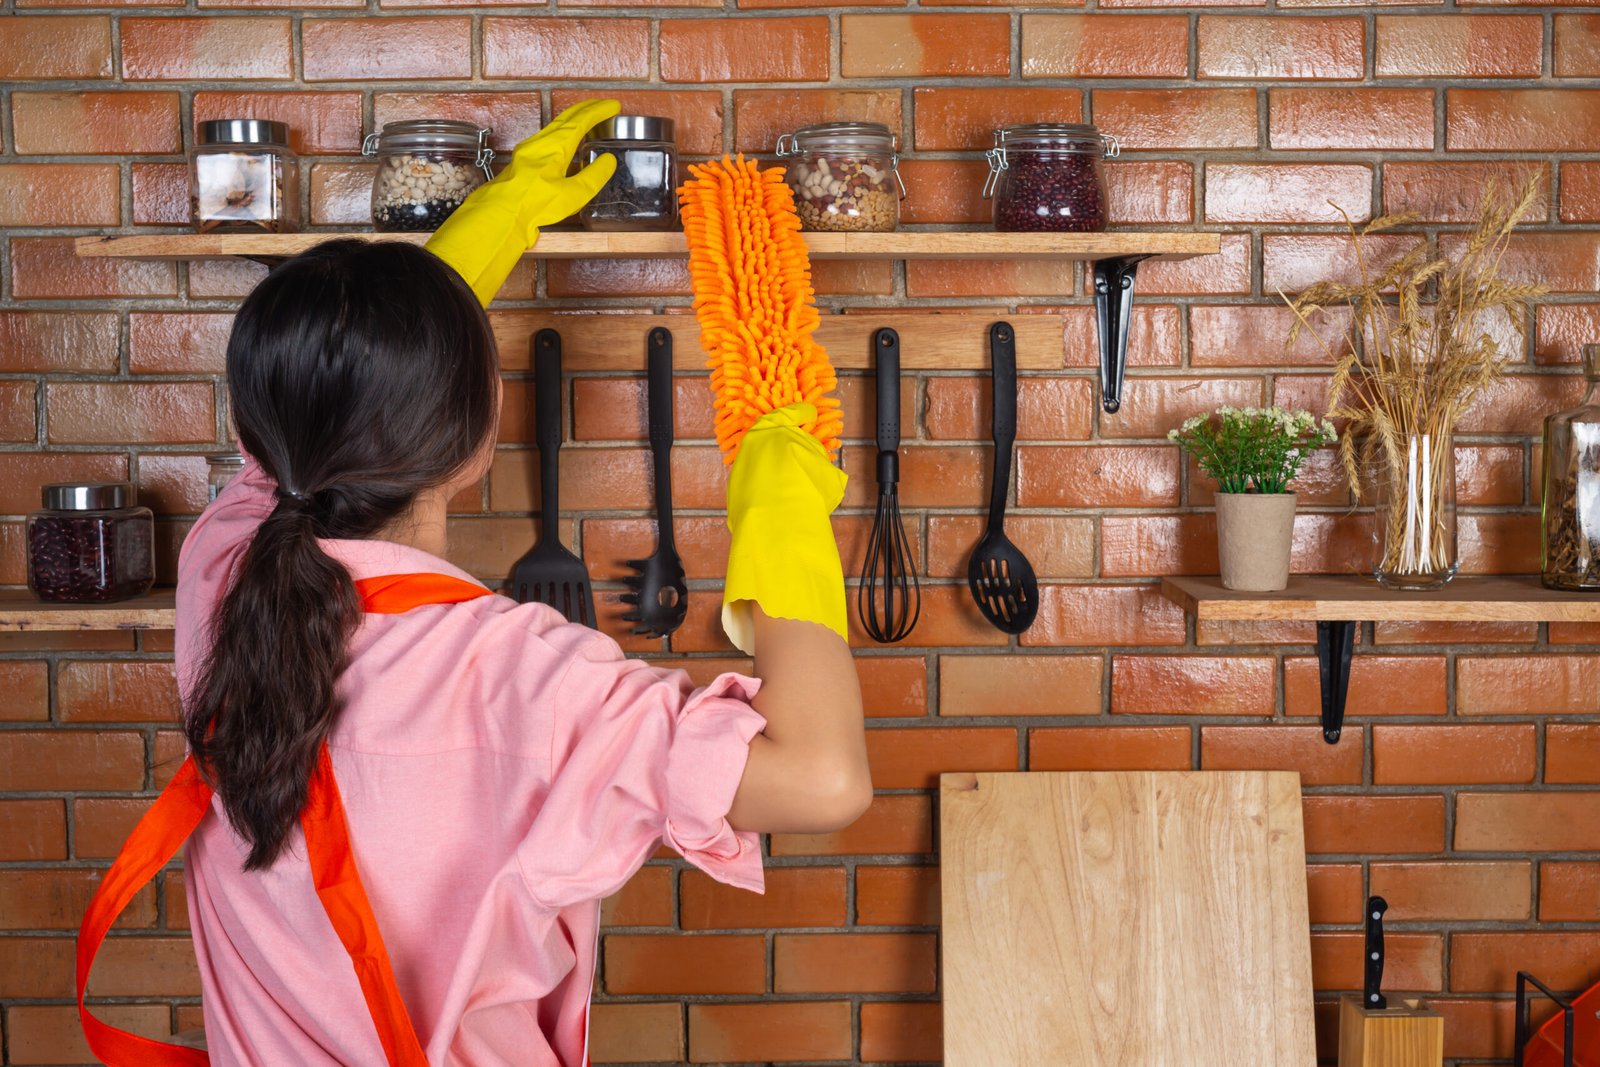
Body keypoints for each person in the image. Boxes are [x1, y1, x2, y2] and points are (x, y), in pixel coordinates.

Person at [76, 101, 869, 1066]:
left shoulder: (224, 570)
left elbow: (318, 406)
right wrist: (780, 485)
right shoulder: (529, 677)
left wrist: (505, 213)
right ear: (482, 433)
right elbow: (824, 776)